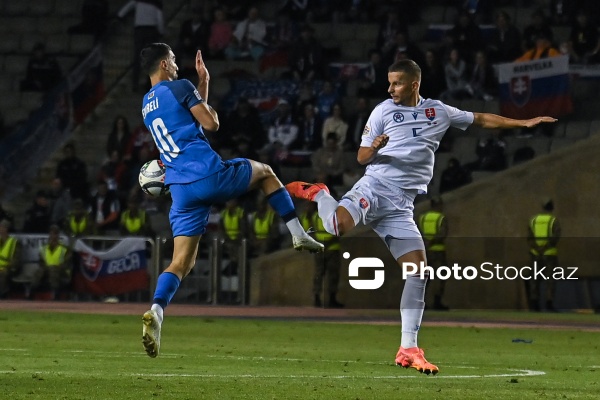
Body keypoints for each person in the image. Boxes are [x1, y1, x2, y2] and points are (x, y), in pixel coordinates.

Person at [285, 59, 557, 375]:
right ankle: (320, 193)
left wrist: (522, 124)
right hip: (374, 188)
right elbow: (360, 157)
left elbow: (481, 118)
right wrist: (373, 146)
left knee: (418, 272)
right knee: (334, 227)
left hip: (401, 206)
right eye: (388, 83)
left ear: (414, 83)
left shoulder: (438, 111)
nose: (389, 89)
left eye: (396, 83)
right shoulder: (382, 111)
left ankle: (408, 348)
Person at [138, 43, 323, 358]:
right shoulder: (179, 86)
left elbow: (188, 123)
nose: (177, 66)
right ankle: (297, 233)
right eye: (173, 60)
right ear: (165, 63)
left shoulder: (145, 104)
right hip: (207, 174)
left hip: (180, 189)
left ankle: (157, 309)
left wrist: (204, 83)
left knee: (181, 262)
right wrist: (204, 100)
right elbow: (210, 124)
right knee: (265, 172)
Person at [118, 0, 164, 92]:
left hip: (140, 30)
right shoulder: (156, 3)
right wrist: (161, 31)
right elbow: (159, 17)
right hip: (151, 30)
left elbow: (128, 6)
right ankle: (149, 84)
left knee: (137, 58)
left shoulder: (138, 1)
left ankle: (135, 84)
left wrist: (119, 16)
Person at [527, 198, 560, 311]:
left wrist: (537, 248)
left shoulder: (534, 220)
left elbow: (529, 237)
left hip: (535, 253)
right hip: (549, 254)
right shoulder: (553, 220)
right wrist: (545, 247)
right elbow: (556, 237)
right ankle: (549, 304)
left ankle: (534, 304)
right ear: (551, 207)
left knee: (534, 279)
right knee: (550, 279)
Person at [417, 197, 448, 310]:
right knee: (440, 276)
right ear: (438, 205)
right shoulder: (441, 218)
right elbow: (443, 234)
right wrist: (433, 241)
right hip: (438, 251)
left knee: (425, 277)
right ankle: (437, 301)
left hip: (424, 251)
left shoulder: (422, 218)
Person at [32, 225, 72, 301]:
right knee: (39, 271)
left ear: (58, 236)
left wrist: (55, 267)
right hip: (47, 270)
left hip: (61, 271)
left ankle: (55, 294)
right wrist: (47, 268)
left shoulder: (64, 249)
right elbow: (41, 262)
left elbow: (67, 264)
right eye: (51, 234)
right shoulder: (44, 248)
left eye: (55, 234)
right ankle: (32, 292)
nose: (53, 236)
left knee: (53, 270)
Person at [0, 219, 21, 298]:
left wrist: (8, 266)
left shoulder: (14, 242)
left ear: (7, 229)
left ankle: (3, 295)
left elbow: (16, 259)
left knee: (3, 273)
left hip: (10, 268)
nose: (0, 229)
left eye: (2, 227)